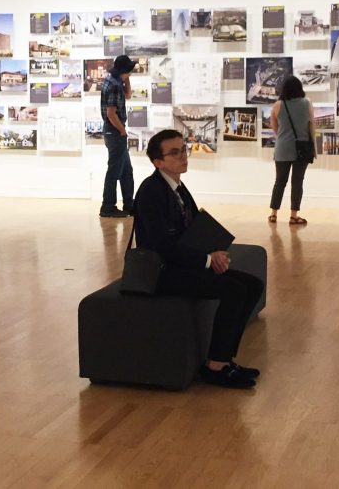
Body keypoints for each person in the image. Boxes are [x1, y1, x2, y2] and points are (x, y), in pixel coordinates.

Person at [133, 129, 264, 389]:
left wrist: (215, 250)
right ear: (158, 162)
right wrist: (206, 259)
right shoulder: (151, 192)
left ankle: (225, 359)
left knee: (253, 286)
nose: (183, 156)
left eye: (184, 150)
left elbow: (191, 228)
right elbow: (162, 245)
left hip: (183, 264)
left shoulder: (178, 187)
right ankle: (216, 365)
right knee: (235, 290)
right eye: (175, 152)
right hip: (163, 272)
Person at [268, 75, 315, 225]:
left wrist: (283, 137)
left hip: (282, 148)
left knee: (280, 181)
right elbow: (311, 125)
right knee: (297, 182)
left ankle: (274, 214)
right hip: (302, 148)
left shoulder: (277, 105)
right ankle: (294, 215)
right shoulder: (307, 103)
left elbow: (274, 128)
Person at [99, 55, 136, 218]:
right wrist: (122, 130)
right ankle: (108, 207)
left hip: (114, 131)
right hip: (114, 132)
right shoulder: (113, 85)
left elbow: (128, 95)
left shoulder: (115, 80)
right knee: (114, 171)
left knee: (126, 170)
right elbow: (111, 113)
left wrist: (127, 78)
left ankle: (129, 204)